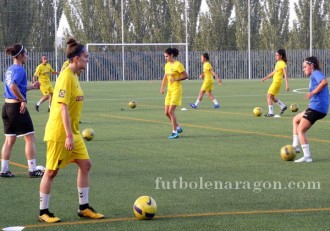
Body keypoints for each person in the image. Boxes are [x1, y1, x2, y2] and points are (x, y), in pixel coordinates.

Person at [38, 38, 104, 223]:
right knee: (51, 172)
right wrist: (68, 135)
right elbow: (63, 108)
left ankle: (84, 208)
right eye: (85, 57)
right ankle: (43, 211)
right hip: (60, 133)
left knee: (85, 165)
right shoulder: (66, 76)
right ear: (76, 59)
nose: (87, 60)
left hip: (73, 132)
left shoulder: (73, 73)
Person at [0, 44, 44, 178]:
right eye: (26, 54)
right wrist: (23, 100)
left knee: (9, 140)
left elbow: (16, 86)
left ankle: (4, 170)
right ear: (19, 56)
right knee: (30, 138)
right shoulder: (20, 69)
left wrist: (32, 87)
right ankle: (32, 169)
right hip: (16, 108)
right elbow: (13, 87)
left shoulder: (10, 69)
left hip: (6, 108)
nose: (27, 56)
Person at [292, 56, 328, 163]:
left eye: (305, 67)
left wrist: (312, 93)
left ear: (311, 66)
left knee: (301, 130)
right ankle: (295, 146)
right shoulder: (314, 75)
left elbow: (324, 82)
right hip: (318, 107)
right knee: (295, 119)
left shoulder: (315, 73)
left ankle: (307, 156)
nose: (303, 69)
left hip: (317, 107)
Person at [160, 48, 188, 139]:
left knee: (171, 111)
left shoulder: (178, 65)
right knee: (166, 113)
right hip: (169, 91)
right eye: (165, 56)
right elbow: (165, 77)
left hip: (176, 90)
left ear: (172, 55)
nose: (165, 58)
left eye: (167, 56)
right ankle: (178, 127)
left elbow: (185, 76)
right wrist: (162, 88)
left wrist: (175, 79)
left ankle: (174, 132)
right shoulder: (167, 65)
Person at [262, 49, 289, 117]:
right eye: (275, 55)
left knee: (268, 95)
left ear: (281, 56)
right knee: (272, 97)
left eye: (277, 55)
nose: (275, 56)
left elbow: (285, 74)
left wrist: (287, 85)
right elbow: (274, 72)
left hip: (277, 82)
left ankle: (271, 113)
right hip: (275, 82)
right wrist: (265, 78)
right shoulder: (278, 63)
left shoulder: (282, 63)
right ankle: (283, 106)